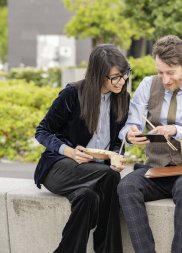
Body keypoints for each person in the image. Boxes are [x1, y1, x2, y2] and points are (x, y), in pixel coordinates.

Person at [117, 35, 182, 253]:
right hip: (155, 169)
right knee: (126, 187)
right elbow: (130, 125)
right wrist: (130, 134)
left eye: (170, 72)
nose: (164, 79)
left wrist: (177, 130)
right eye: (160, 72)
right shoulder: (147, 85)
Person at [34, 44, 131, 253]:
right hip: (60, 168)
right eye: (115, 77)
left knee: (88, 198)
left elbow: (117, 142)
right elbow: (42, 131)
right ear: (98, 74)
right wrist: (69, 152)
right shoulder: (73, 94)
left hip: (95, 173)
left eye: (124, 75)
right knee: (111, 178)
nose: (121, 81)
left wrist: (117, 156)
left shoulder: (122, 98)